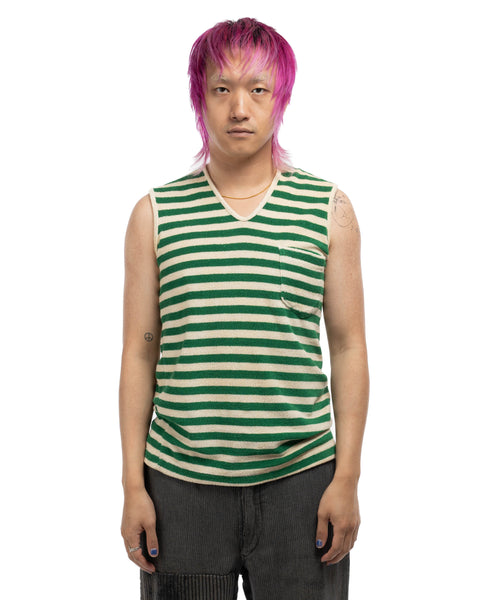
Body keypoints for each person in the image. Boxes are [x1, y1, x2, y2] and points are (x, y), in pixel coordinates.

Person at [119, 17, 369, 600]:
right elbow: (138, 354)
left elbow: (349, 347)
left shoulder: (327, 209)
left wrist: (348, 477)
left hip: (302, 483)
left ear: (280, 97)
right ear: (199, 97)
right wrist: (133, 485)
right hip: (180, 485)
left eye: (258, 89)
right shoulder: (155, 214)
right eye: (221, 88)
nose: (239, 108)